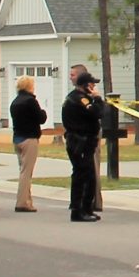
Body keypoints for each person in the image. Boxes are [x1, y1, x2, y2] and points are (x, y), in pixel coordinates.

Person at [60, 68, 104, 222]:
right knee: (82, 175)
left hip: (81, 141)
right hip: (80, 142)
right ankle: (78, 210)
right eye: (92, 85)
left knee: (88, 175)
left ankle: (86, 208)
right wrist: (97, 98)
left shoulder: (76, 97)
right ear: (85, 85)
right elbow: (98, 113)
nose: (94, 88)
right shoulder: (80, 100)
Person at [8, 76, 47, 212]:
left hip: (17, 138)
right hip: (29, 139)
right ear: (30, 86)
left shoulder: (15, 102)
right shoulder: (31, 101)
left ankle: (27, 200)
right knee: (26, 173)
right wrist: (43, 112)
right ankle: (23, 202)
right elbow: (41, 118)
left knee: (23, 171)